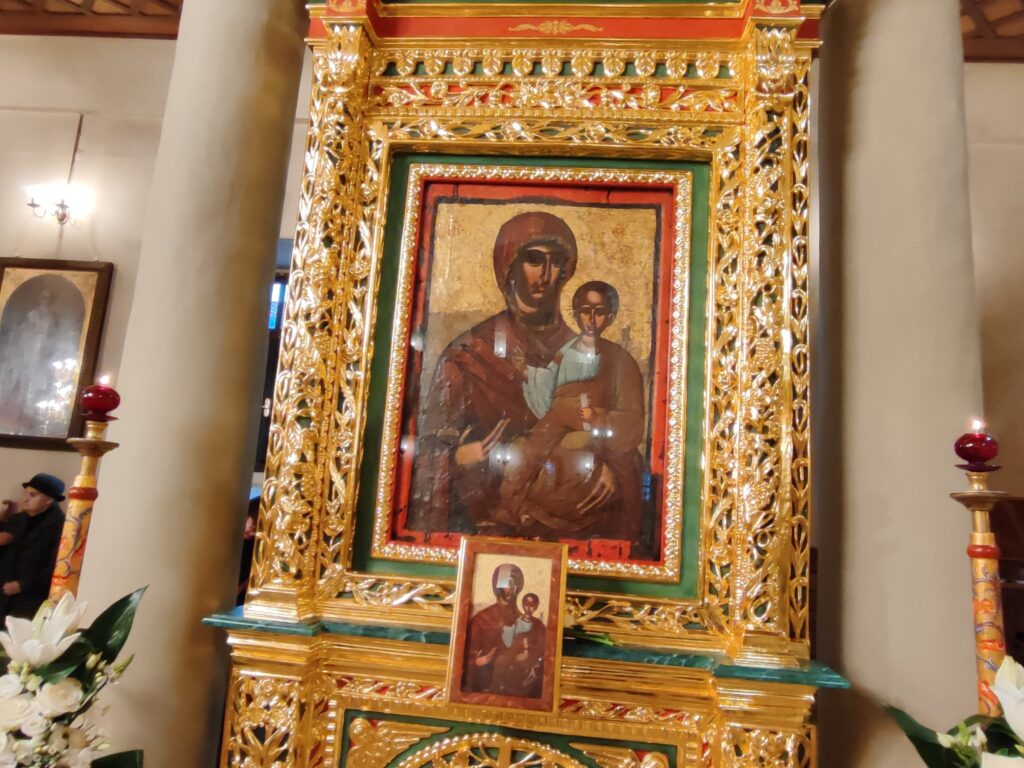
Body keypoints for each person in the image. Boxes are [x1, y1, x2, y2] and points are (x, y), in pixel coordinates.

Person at [409, 212, 644, 543]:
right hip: (493, 529)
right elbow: (427, 460)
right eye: (534, 260)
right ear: (509, 265)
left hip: (579, 529)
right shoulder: (469, 355)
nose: (546, 274)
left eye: (556, 262)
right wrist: (461, 457)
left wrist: (613, 471)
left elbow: (629, 448)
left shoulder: (601, 357)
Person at [499, 281, 645, 540]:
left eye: (599, 312)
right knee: (521, 453)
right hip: (556, 425)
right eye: (585, 311)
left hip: (601, 443)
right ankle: (520, 510)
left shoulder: (621, 361)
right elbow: (546, 393)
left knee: (571, 459)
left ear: (610, 317)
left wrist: (598, 417)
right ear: (576, 314)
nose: (591, 319)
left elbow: (633, 423)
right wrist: (527, 374)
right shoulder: (563, 354)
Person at [0, 473, 65, 620]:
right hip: (3, 595)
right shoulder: (17, 520)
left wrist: (22, 585)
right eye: (26, 493)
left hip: (30, 601)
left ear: (49, 500)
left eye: (33, 495)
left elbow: (55, 566)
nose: (26, 499)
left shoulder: (60, 527)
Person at [462, 563, 525, 695]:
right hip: (486, 688)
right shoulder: (481, 620)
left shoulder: (524, 620)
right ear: (497, 586)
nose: (510, 588)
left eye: (514, 583)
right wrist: (478, 662)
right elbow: (465, 658)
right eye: (506, 583)